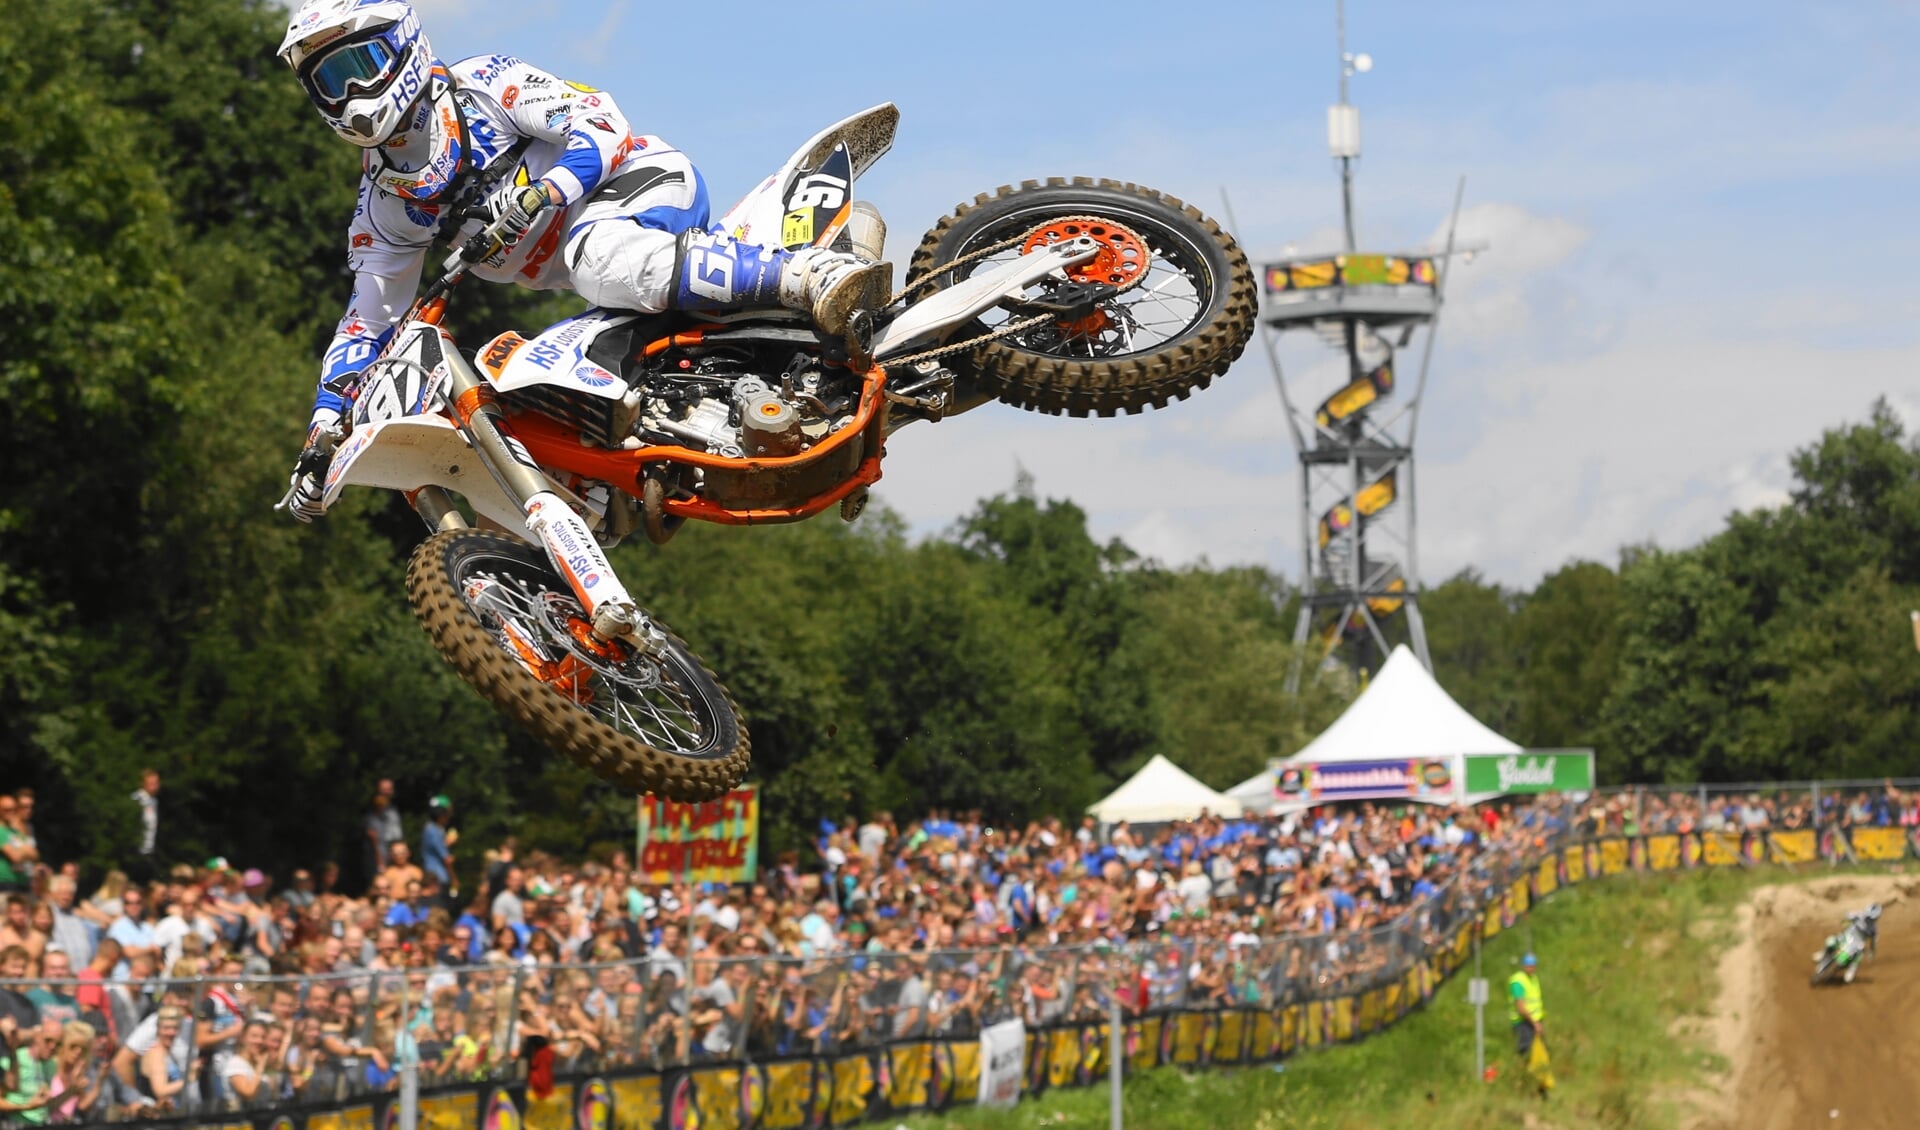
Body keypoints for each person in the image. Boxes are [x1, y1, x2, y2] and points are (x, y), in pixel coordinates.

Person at [275, 0, 888, 523]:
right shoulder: (385, 204)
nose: (352, 93)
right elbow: (369, 318)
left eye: (360, 66)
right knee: (533, 384)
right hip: (602, 278)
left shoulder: (483, 85)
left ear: (400, 44)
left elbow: (600, 121)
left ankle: (809, 276)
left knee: (594, 253)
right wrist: (324, 429)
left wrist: (549, 191)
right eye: (331, 81)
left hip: (640, 184)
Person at [1508, 952, 1549, 1098]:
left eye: (1533, 965)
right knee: (1525, 1055)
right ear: (1524, 966)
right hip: (1523, 1024)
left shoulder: (1533, 979)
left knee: (1541, 1056)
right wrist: (1534, 1023)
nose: (1531, 968)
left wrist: (1538, 1023)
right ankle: (1523, 1088)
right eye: (1529, 965)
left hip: (1535, 1023)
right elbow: (1521, 1007)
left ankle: (1541, 1089)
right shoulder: (1518, 982)